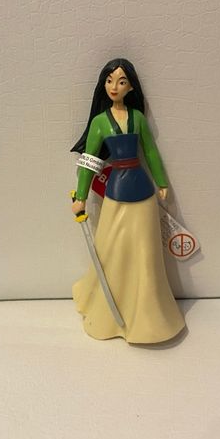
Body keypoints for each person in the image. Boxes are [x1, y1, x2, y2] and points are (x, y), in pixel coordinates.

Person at [70, 58, 185, 343]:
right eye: (109, 81)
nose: (114, 87)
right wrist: (81, 196)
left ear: (130, 86)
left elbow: (151, 152)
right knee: (111, 250)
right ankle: (107, 309)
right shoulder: (99, 122)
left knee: (146, 253)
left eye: (121, 81)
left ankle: (148, 314)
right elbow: (90, 160)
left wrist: (161, 182)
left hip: (142, 193)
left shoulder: (138, 119)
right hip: (115, 195)